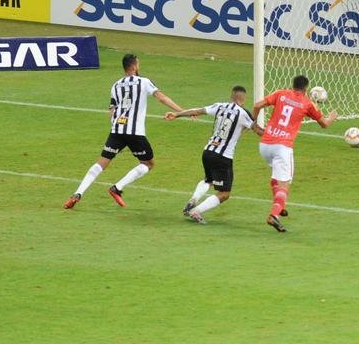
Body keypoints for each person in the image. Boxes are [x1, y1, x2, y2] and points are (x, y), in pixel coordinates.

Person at [64, 53, 184, 210]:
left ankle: (77, 194)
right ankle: (117, 188)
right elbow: (161, 98)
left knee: (100, 164)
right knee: (148, 163)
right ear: (134, 66)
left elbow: (111, 111)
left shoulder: (115, 85)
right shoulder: (144, 82)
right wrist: (182, 111)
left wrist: (117, 125)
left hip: (117, 130)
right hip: (135, 132)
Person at [165, 85, 263, 225]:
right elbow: (258, 130)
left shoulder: (219, 106)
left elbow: (198, 111)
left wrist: (177, 114)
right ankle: (196, 211)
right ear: (244, 98)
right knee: (224, 194)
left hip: (208, 151)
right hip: (223, 157)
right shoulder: (243, 113)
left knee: (209, 179)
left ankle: (193, 200)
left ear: (231, 96)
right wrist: (277, 136)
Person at [251, 75, 337, 233]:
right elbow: (324, 124)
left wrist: (253, 124)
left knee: (275, 177)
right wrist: (332, 117)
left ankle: (279, 206)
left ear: (293, 85)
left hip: (265, 144)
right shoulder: (307, 103)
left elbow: (257, 105)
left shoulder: (280, 93)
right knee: (285, 183)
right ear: (306, 88)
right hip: (282, 147)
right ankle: (273, 215)